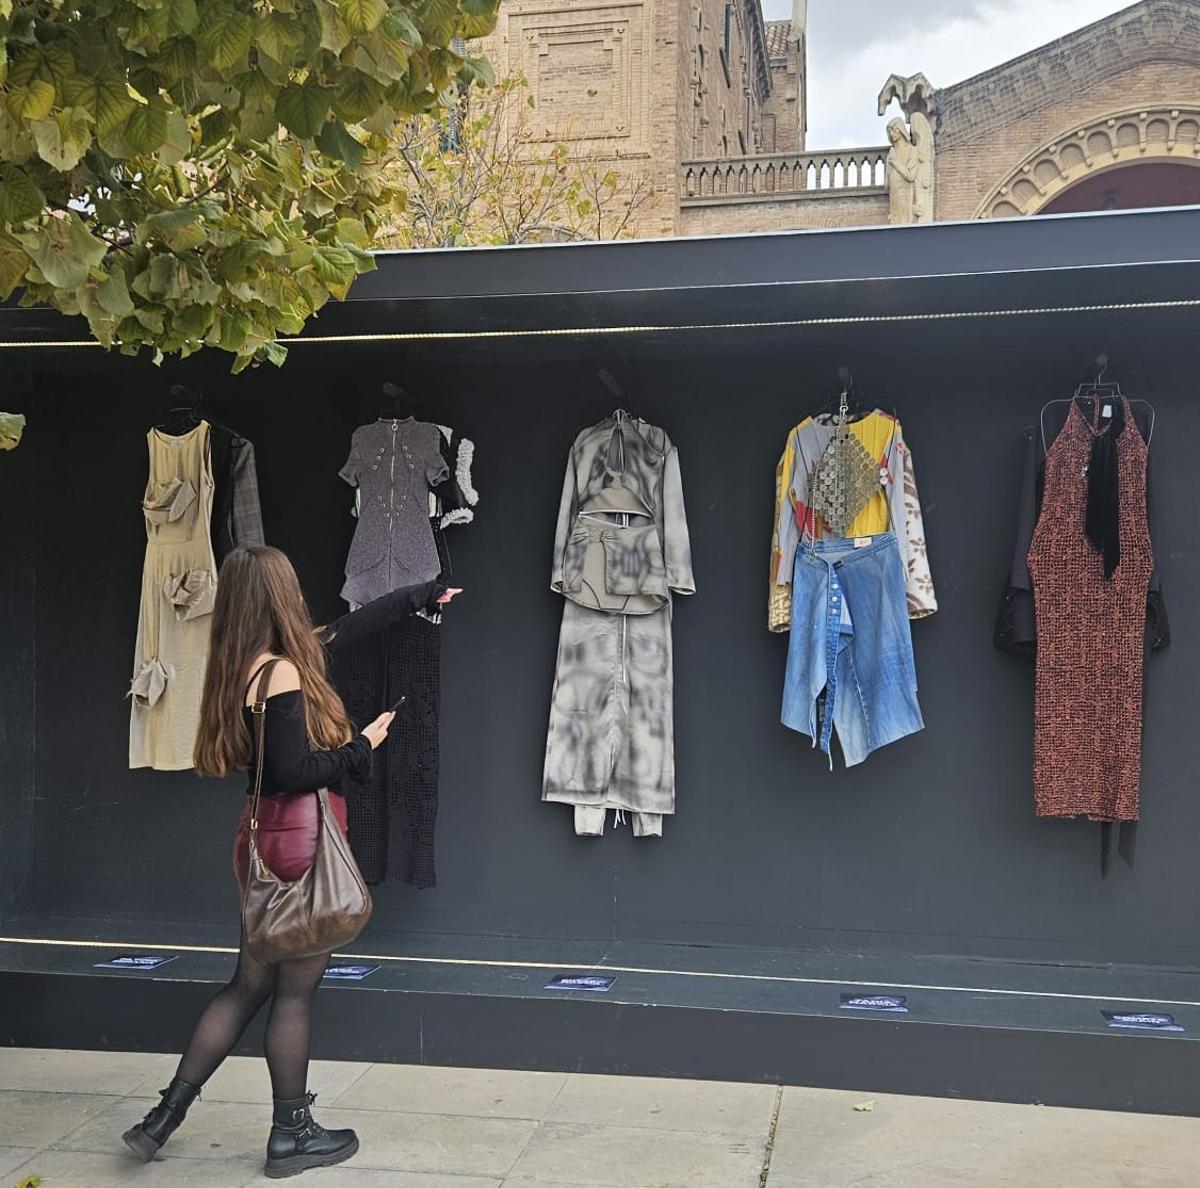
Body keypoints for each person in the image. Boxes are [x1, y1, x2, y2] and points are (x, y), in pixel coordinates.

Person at [121, 545, 461, 1178]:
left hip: (263, 843)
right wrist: (363, 746)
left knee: (248, 984)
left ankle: (161, 1120)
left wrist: (421, 595)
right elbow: (291, 772)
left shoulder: (244, 665)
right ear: (279, 596)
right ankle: (291, 1135)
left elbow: (349, 628)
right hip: (299, 848)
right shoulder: (281, 674)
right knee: (294, 995)